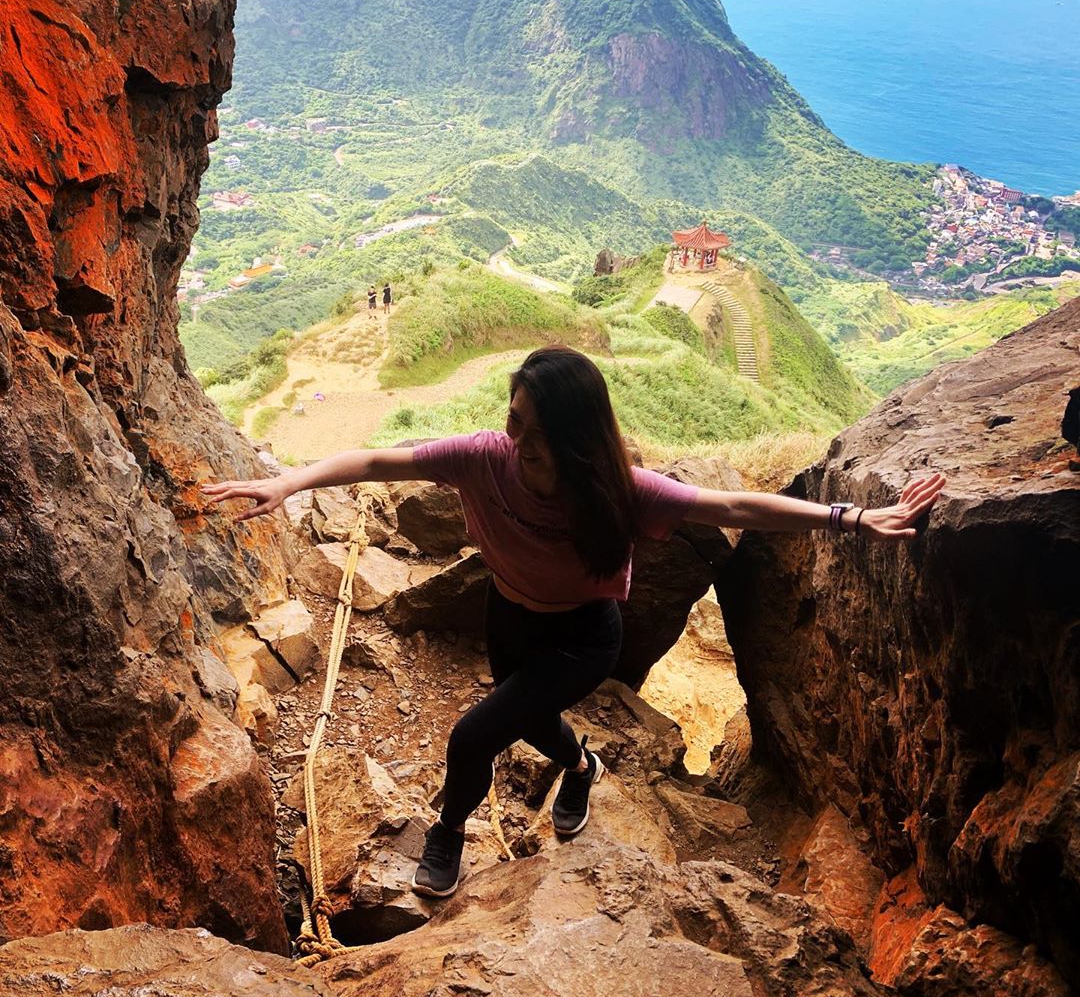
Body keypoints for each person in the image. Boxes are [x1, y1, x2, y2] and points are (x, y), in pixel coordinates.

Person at [202, 346, 944, 899]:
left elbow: (734, 508)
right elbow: (374, 460)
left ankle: (448, 835)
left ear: (573, 435)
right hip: (509, 617)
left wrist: (850, 517)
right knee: (526, 721)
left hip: (586, 635)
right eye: (512, 420)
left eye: (532, 429)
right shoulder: (481, 459)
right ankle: (583, 765)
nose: (514, 439)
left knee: (475, 733)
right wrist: (287, 482)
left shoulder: (621, 492)